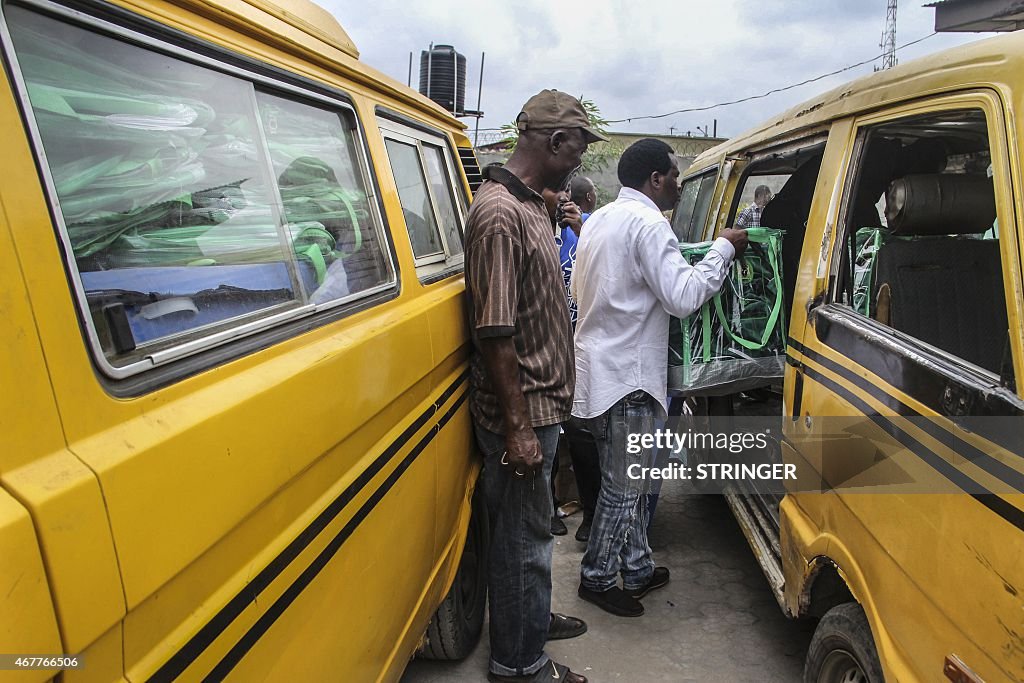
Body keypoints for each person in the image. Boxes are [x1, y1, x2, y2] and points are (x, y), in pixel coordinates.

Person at [571, 138, 748, 617]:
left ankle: (638, 565)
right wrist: (722, 251)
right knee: (625, 486)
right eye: (674, 174)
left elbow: (581, 288)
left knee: (638, 480)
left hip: (599, 370)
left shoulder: (601, 220)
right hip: (627, 377)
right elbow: (683, 296)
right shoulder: (649, 224)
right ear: (656, 179)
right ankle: (598, 577)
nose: (677, 182)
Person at [465, 88, 606, 683]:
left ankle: (530, 618)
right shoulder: (500, 214)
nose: (579, 162)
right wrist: (520, 428)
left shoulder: (528, 208)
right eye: (577, 148)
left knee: (528, 538)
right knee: (524, 543)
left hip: (541, 405)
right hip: (522, 414)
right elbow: (495, 332)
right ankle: (519, 665)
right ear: (554, 142)